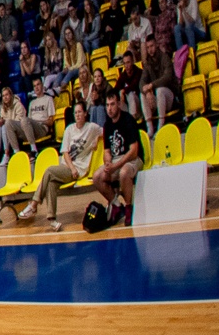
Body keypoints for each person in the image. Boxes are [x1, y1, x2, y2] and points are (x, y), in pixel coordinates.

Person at [18, 113, 104, 232]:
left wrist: (96, 138)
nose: (78, 115)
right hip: (67, 167)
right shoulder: (69, 129)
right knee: (51, 183)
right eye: (76, 112)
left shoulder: (91, 127)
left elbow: (106, 131)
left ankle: (34, 204)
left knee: (49, 171)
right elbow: (65, 152)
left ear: (85, 114)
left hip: (78, 170)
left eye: (80, 112)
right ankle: (52, 220)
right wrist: (71, 167)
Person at [93, 95, 146, 226]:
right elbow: (107, 151)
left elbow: (133, 151)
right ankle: (116, 204)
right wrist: (108, 162)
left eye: (112, 104)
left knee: (124, 172)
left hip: (133, 159)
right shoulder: (107, 125)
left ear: (119, 104)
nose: (109, 108)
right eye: (107, 105)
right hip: (116, 160)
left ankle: (128, 207)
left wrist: (116, 166)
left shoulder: (128, 120)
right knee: (97, 176)